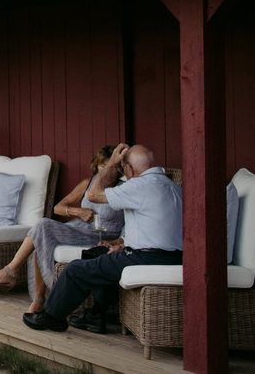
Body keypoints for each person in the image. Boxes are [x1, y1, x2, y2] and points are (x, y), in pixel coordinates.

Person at [22, 143, 183, 334]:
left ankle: (52, 317)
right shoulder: (173, 187)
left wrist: (111, 164)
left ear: (129, 168)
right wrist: (121, 245)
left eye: (122, 168)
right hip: (174, 257)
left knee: (75, 269)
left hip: (145, 257)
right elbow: (152, 228)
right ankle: (95, 315)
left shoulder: (138, 185)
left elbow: (93, 194)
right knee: (100, 255)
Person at [0, 145, 125, 313]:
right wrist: (77, 211)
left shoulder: (122, 190)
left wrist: (118, 241)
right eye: (103, 166)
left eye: (112, 166)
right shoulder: (88, 184)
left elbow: (129, 223)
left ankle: (13, 273)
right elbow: (58, 207)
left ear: (119, 168)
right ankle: (39, 299)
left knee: (42, 226)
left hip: (99, 237)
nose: (107, 171)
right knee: (39, 240)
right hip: (78, 229)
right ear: (96, 166)